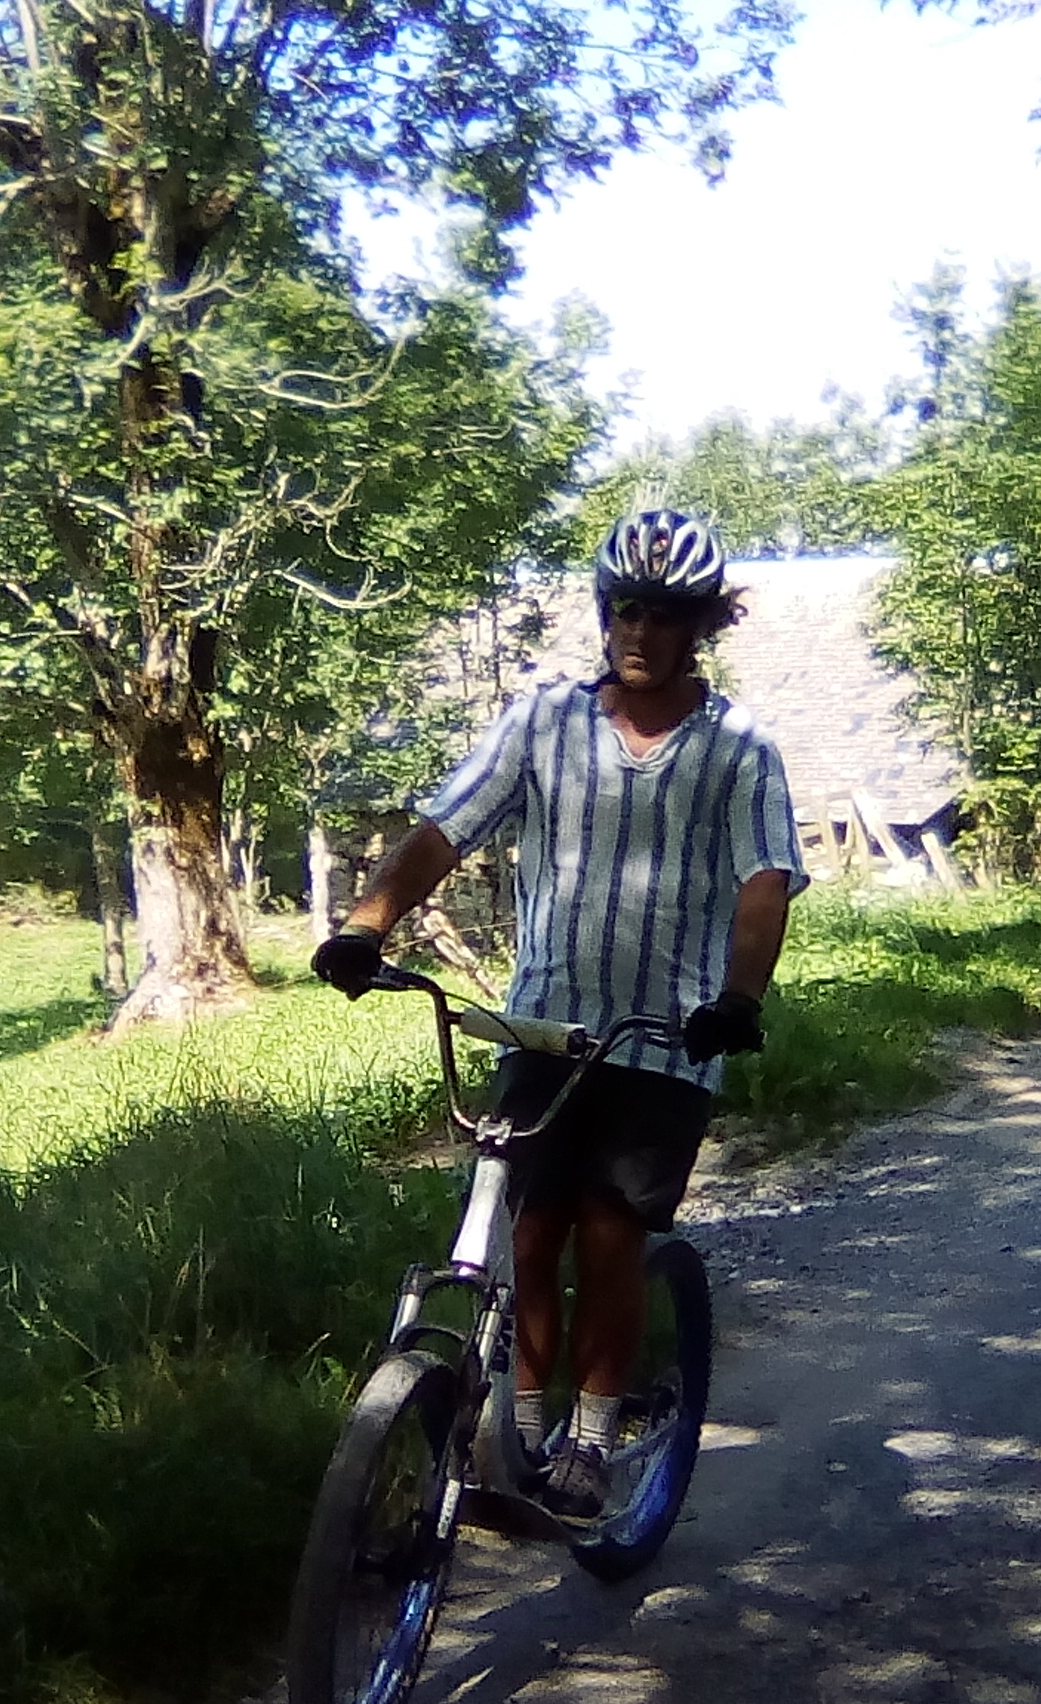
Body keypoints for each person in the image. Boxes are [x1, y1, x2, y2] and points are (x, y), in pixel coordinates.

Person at [311, 509, 804, 1515]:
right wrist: (364, 927)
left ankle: (592, 1434)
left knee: (609, 1235)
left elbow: (763, 884)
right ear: (604, 609)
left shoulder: (737, 748)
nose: (639, 631)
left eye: (664, 613)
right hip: (542, 1024)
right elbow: (444, 831)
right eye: (625, 608)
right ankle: (521, 1435)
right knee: (527, 1232)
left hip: (666, 1038)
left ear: (700, 624)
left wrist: (738, 999)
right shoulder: (543, 721)